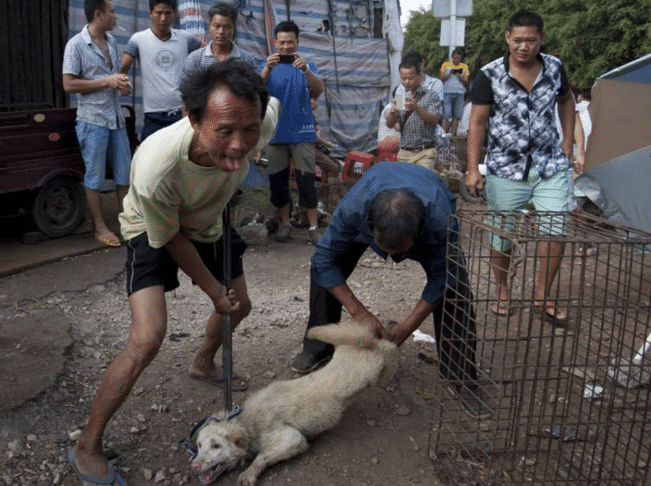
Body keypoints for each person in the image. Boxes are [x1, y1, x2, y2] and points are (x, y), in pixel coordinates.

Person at [65, 59, 280, 486]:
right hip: (153, 228)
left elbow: (258, 122)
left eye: (249, 130)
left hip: (210, 220)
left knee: (240, 308)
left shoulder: (262, 119)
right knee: (147, 338)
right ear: (192, 117)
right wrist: (213, 288)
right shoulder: (156, 165)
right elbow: (173, 240)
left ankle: (202, 361)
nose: (239, 146)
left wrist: (224, 295)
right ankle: (87, 444)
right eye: (224, 132)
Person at [289, 162, 490, 418]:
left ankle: (462, 376)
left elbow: (444, 276)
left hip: (428, 204)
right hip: (373, 200)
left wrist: (409, 325)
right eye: (385, 247)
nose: (391, 257)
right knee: (325, 271)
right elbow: (324, 260)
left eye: (400, 250)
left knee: (455, 288)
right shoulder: (354, 210)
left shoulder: (440, 220)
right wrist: (358, 312)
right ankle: (317, 349)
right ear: (371, 227)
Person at [465, 10, 575, 324]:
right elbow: (477, 123)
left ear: (542, 39)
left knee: (556, 229)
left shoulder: (554, 68)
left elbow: (566, 101)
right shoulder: (489, 75)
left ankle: (543, 295)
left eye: (530, 40)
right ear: (507, 38)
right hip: (505, 169)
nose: (523, 47)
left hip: (549, 165)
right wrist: (474, 168)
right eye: (518, 40)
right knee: (502, 235)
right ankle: (502, 289)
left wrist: (568, 142)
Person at [62, 0, 133, 248]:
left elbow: (111, 79)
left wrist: (121, 84)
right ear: (98, 14)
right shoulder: (76, 45)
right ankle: (99, 227)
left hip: (115, 119)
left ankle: (127, 223)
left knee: (125, 173)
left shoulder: (111, 42)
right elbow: (69, 85)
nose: (115, 16)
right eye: (112, 12)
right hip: (92, 122)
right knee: (94, 177)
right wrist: (107, 82)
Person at [259, 20, 324, 244]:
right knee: (278, 182)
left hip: (303, 132)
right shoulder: (266, 66)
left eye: (290, 42)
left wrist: (306, 70)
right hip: (275, 133)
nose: (286, 46)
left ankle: (314, 227)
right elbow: (253, 90)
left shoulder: (307, 66)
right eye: (282, 42)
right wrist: (267, 68)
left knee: (307, 181)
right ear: (275, 43)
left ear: (298, 42)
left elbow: (318, 90)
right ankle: (285, 225)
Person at [119, 0, 201, 141]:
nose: (163, 18)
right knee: (149, 160)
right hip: (153, 117)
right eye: (159, 13)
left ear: (174, 13)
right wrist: (123, 83)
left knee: (182, 160)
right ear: (150, 13)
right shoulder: (138, 39)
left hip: (181, 115)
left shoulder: (185, 38)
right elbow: (122, 69)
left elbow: (207, 54)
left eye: (168, 13)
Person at [386, 58, 442, 170]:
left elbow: (434, 120)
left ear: (419, 76)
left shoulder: (430, 96)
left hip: (425, 152)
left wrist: (416, 107)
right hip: (404, 153)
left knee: (422, 182)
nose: (406, 82)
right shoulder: (400, 95)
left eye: (410, 78)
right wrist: (392, 113)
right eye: (403, 78)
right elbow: (389, 124)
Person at [180, 2, 258, 81]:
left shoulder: (246, 60)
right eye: (216, 26)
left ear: (234, 28)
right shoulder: (195, 59)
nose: (221, 31)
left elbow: (253, 90)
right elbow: (186, 90)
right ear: (210, 26)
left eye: (226, 27)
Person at [440, 48, 470, 136]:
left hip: (460, 93)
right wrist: (449, 73)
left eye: (458, 58)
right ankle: (442, 134)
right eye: (455, 58)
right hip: (447, 92)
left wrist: (461, 77)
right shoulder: (445, 65)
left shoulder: (464, 67)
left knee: (457, 115)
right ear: (452, 57)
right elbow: (441, 77)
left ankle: (452, 135)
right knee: (446, 114)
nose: (456, 60)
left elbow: (467, 81)